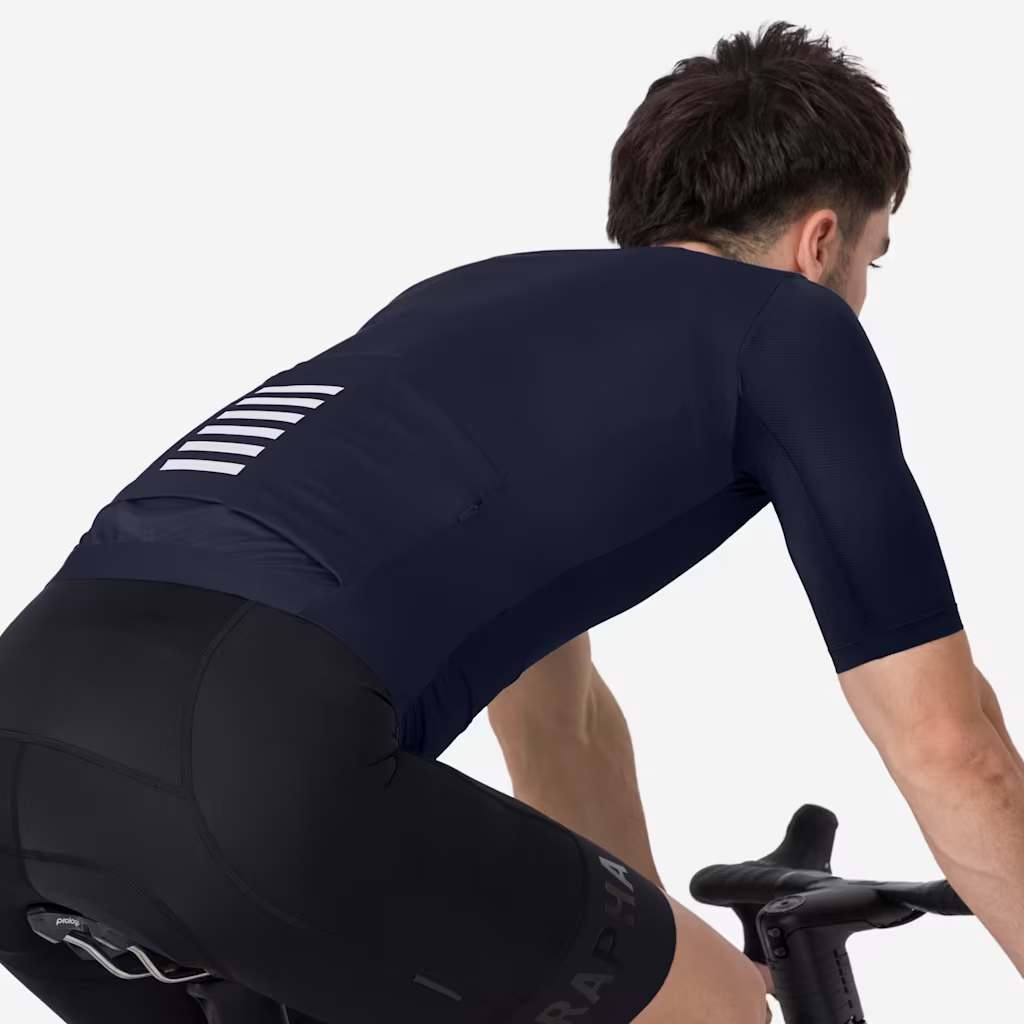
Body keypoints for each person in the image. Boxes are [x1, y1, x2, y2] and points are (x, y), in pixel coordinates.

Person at [0, 19, 1020, 1024]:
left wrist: (648, 958)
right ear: (820, 240)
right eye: (874, 259)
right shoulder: (789, 327)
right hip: (249, 754)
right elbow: (947, 744)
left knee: (673, 992)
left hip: (24, 739)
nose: (861, 293)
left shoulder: (468, 303)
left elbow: (556, 721)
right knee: (718, 1012)